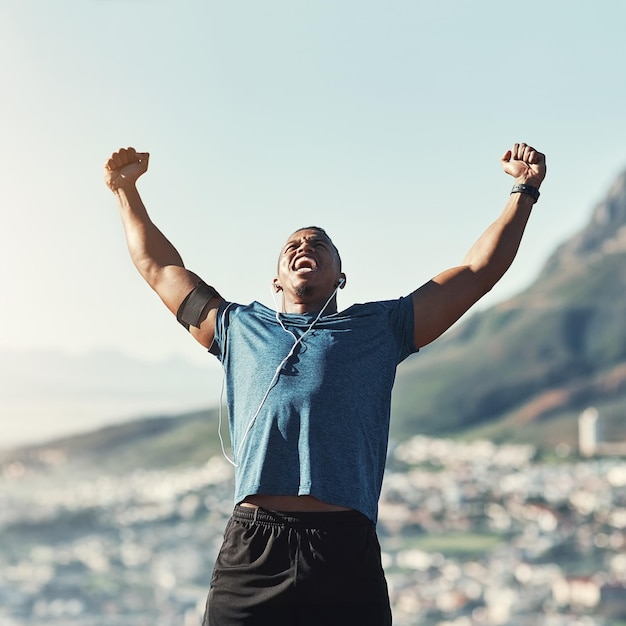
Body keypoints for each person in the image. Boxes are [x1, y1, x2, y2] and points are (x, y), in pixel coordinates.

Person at [104, 142, 546, 625]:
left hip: (343, 550)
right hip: (254, 549)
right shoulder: (236, 328)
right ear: (275, 280)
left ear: (341, 276)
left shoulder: (381, 328)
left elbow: (477, 273)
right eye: (292, 245)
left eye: (319, 244)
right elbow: (159, 269)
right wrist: (126, 192)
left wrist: (523, 190)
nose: (303, 247)